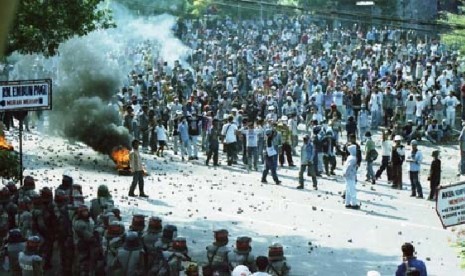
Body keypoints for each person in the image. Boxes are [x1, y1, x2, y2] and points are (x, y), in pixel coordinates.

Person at [344, 145, 360, 209]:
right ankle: (354, 204)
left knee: (348, 190)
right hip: (350, 176)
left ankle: (347, 203)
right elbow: (349, 167)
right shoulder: (353, 158)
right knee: (352, 190)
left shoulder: (350, 157)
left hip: (348, 176)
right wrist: (347, 173)